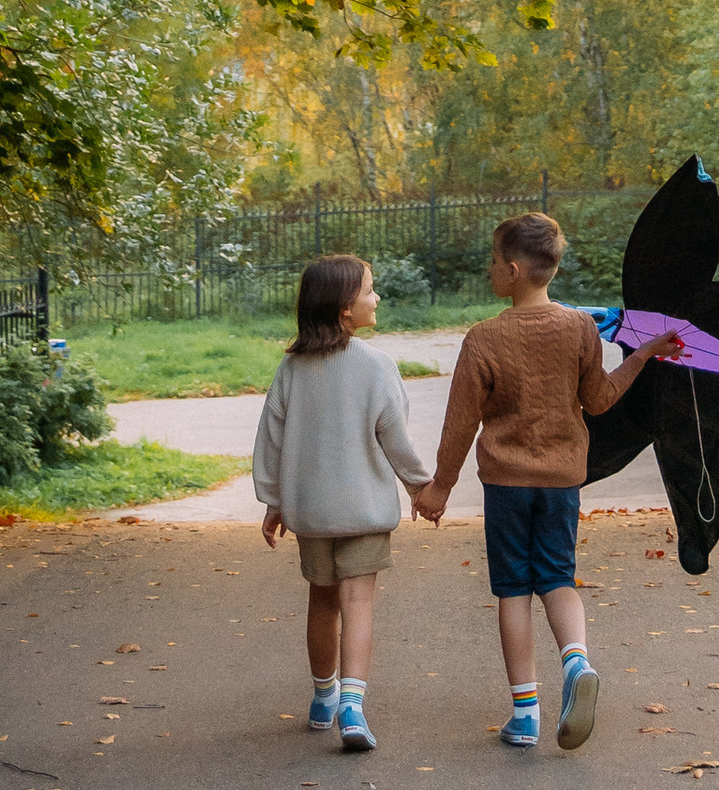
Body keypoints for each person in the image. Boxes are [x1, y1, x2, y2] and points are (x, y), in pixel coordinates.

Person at [412, 213, 677, 751]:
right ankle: (576, 662)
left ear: (512, 270)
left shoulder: (483, 339)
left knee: (513, 590)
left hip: (507, 484)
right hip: (562, 482)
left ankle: (525, 714)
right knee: (557, 577)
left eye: (492, 262)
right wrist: (644, 355)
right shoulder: (579, 328)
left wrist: (439, 487)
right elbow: (599, 400)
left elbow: (460, 421)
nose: (489, 270)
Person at [252, 254, 436, 754]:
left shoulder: (291, 369)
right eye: (369, 291)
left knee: (322, 598)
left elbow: (270, 437)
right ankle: (352, 705)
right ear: (343, 309)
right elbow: (394, 437)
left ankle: (321, 697)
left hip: (310, 511)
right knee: (358, 603)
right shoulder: (376, 365)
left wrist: (272, 500)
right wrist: (421, 487)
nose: (377, 298)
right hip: (364, 510)